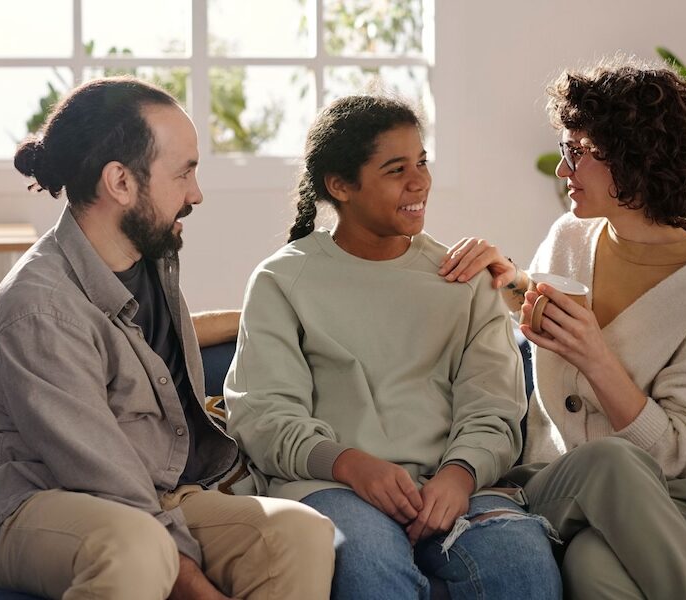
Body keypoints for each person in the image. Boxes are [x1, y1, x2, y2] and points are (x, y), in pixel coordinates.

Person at [0, 76, 335, 600]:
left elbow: (132, 343)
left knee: (297, 533)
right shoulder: (39, 307)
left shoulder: (148, 255)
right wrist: (197, 586)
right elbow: (101, 475)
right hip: (39, 500)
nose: (196, 194)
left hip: (155, 492)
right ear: (121, 183)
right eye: (184, 174)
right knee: (138, 546)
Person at [439, 57, 686, 599]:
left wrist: (599, 361)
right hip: (556, 485)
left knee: (591, 564)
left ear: (635, 158)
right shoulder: (570, 237)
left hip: (677, 500)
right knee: (607, 463)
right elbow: (545, 317)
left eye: (576, 152)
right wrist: (510, 279)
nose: (562, 170)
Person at [224, 95, 561, 600]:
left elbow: (493, 408)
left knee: (522, 561)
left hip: (455, 492)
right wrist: (351, 464)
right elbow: (264, 415)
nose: (419, 181)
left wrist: (459, 474)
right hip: (331, 490)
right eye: (395, 169)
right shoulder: (281, 279)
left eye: (422, 162)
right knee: (368, 562)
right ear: (340, 186)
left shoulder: (464, 279)